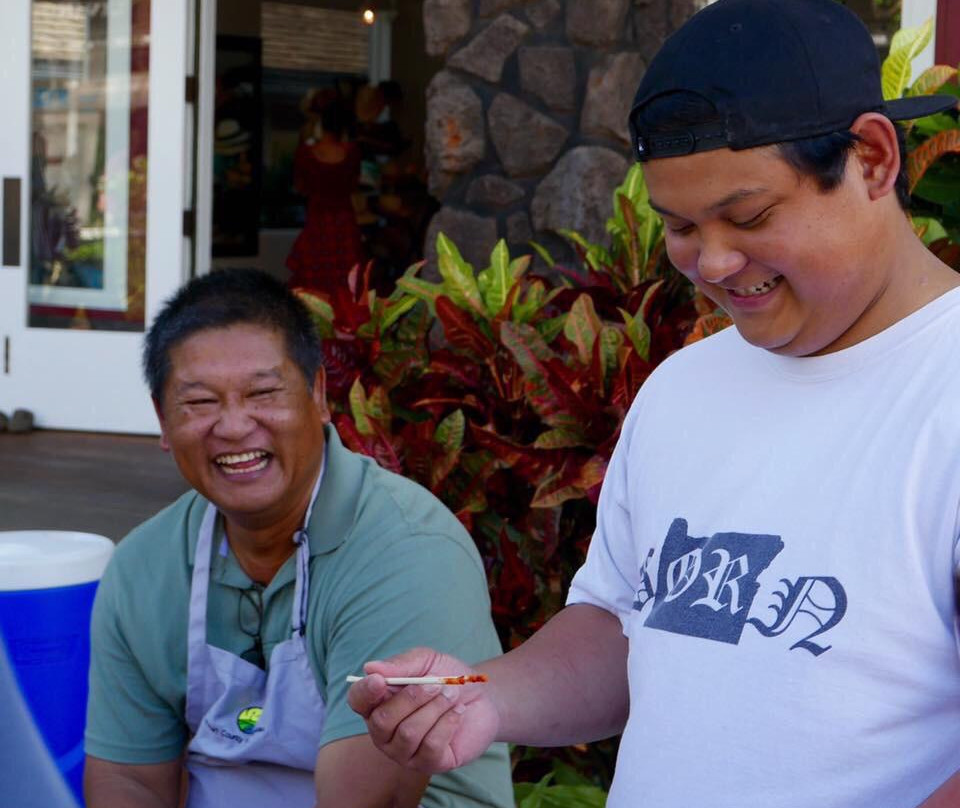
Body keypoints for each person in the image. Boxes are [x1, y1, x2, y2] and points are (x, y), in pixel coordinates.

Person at [347, 1, 960, 806]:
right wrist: (484, 697)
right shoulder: (684, 386)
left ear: (874, 159)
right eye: (678, 226)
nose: (712, 262)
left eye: (749, 216)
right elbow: (626, 630)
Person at [82, 269, 514, 808]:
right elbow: (130, 781)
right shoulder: (144, 565)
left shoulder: (404, 552)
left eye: (263, 393)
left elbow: (364, 800)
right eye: (199, 403)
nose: (235, 426)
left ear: (318, 395)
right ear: (162, 421)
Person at [286, 93, 365, 298]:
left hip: (318, 224)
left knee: (313, 288)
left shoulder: (306, 152)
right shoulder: (352, 152)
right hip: (344, 224)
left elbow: (299, 186)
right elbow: (354, 184)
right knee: (347, 286)